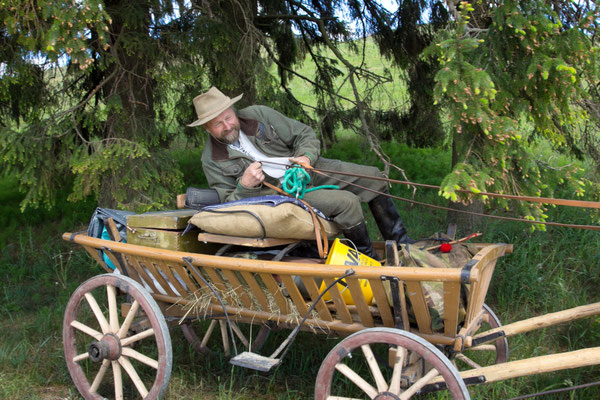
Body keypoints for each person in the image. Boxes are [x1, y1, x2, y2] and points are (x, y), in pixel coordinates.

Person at [188, 87, 413, 258]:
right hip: (282, 194)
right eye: (217, 124)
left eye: (228, 117)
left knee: (372, 176)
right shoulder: (211, 159)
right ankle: (369, 262)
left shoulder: (258, 115)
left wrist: (306, 157)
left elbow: (303, 134)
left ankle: (405, 250)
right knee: (347, 202)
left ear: (234, 111)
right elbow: (228, 204)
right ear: (206, 128)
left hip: (304, 169)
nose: (227, 126)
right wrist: (245, 186)